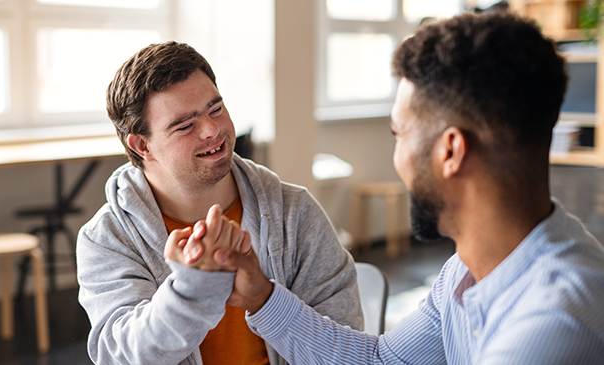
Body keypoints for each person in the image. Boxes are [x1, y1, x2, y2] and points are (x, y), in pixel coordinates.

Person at [172, 11, 604, 364]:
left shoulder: (555, 322)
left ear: (450, 151)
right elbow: (383, 361)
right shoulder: (467, 271)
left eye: (399, 134)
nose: (396, 153)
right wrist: (262, 296)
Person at [76, 41, 362, 365]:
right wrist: (193, 287)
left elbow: (346, 345)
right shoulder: (107, 238)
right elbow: (120, 357)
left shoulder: (294, 212)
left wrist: (265, 298)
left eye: (216, 109)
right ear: (143, 145)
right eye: (185, 125)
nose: (213, 130)